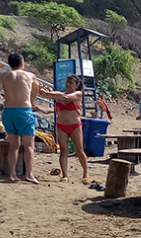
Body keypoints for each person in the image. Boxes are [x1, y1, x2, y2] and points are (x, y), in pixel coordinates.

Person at [0, 53, 42, 183]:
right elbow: (35, 90)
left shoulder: (4, 75)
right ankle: (29, 174)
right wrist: (30, 100)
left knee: (14, 145)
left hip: (8, 112)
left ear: (9, 63)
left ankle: (12, 174)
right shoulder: (30, 75)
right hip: (24, 111)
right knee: (29, 145)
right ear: (22, 63)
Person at [38, 75, 89, 182]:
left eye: (71, 82)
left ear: (77, 85)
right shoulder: (59, 94)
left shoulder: (78, 94)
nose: (68, 84)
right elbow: (43, 94)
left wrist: (50, 94)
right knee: (63, 150)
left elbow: (66, 98)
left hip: (75, 126)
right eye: (67, 82)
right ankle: (64, 175)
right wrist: (41, 89)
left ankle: (85, 172)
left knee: (79, 150)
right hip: (61, 126)